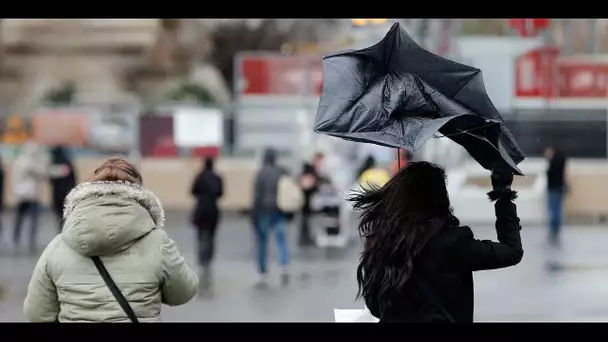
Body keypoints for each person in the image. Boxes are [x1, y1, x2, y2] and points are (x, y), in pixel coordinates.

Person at [23, 157, 198, 322]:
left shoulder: (59, 246)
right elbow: (183, 292)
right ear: (139, 193)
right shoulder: (157, 242)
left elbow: (37, 314)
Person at [348, 161, 523, 322]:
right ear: (439, 198)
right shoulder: (452, 242)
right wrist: (503, 194)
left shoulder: (381, 241)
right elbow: (511, 251)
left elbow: (375, 307)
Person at [252, 148, 289, 286]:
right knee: (281, 240)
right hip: (279, 210)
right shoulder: (282, 171)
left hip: (264, 211)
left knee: (262, 241)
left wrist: (254, 213)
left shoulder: (260, 173)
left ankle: (262, 272)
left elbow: (257, 195)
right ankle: (283, 265)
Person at [190, 157, 223, 290]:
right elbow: (221, 193)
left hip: (201, 210)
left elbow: (192, 191)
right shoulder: (217, 178)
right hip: (213, 210)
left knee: (200, 236)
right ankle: (208, 259)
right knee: (211, 236)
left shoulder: (199, 177)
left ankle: (202, 259)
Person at [12, 142, 47, 254]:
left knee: (20, 218)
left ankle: (18, 238)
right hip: (29, 194)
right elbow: (40, 173)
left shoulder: (20, 161)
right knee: (31, 219)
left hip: (24, 194)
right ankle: (29, 241)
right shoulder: (27, 162)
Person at [49, 146, 77, 233]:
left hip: (58, 194)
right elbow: (74, 179)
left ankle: (61, 233)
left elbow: (51, 180)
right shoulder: (67, 162)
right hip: (67, 193)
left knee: (60, 217)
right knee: (66, 216)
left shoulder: (54, 162)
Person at [298, 152, 324, 247]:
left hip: (307, 200)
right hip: (307, 200)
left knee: (306, 221)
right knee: (306, 220)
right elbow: (308, 183)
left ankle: (305, 238)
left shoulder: (309, 169)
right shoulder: (309, 169)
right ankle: (305, 239)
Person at [544, 146, 567, 246]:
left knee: (553, 209)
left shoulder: (554, 162)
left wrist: (549, 160)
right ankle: (557, 228)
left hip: (553, 188)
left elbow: (550, 173)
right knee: (558, 208)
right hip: (560, 187)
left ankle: (553, 229)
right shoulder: (562, 161)